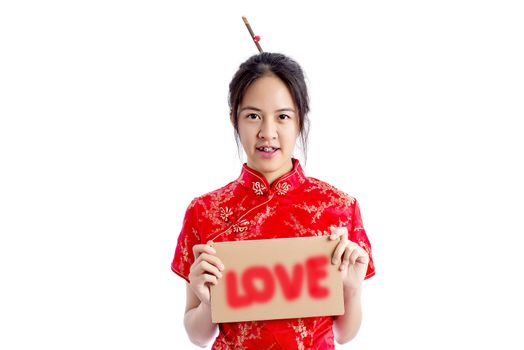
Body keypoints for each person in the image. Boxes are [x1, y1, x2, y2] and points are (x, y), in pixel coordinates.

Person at [171, 52, 375, 349]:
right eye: (253, 116)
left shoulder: (339, 207)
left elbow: (345, 334)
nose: (267, 133)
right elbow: (198, 336)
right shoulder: (204, 211)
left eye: (282, 116)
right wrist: (206, 304)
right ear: (234, 119)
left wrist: (352, 289)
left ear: (299, 119)